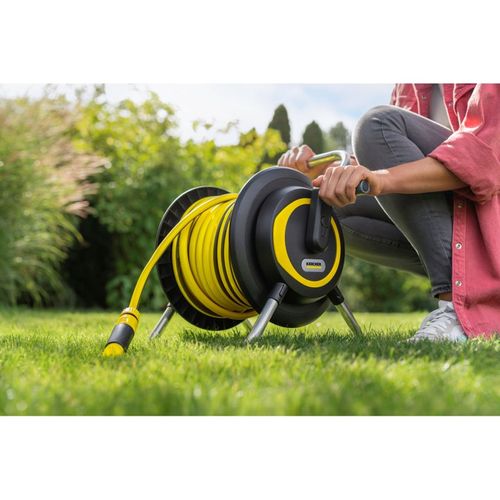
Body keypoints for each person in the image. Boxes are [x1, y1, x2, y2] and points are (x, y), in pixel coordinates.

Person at [278, 84, 500, 342]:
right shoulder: (408, 86)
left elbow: (484, 155)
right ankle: (468, 297)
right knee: (333, 210)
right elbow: (389, 162)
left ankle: (458, 311)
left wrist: (381, 179)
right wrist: (327, 172)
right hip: (461, 226)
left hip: (490, 219)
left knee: (377, 125)